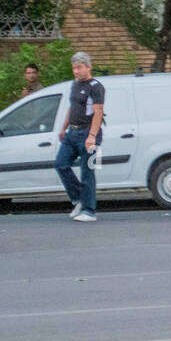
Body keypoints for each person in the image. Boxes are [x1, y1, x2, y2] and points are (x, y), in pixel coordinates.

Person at [54, 51, 104, 222]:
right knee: (61, 164)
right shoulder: (75, 85)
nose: (76, 71)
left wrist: (92, 136)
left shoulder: (96, 86)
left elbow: (98, 112)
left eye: (79, 68)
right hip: (72, 132)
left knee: (87, 172)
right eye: (74, 68)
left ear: (88, 67)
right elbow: (72, 107)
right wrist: (64, 127)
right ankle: (79, 200)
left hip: (89, 134)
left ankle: (89, 211)